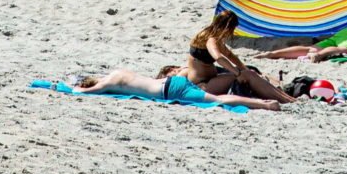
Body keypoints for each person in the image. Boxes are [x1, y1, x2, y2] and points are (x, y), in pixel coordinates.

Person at [186, 9, 294, 104]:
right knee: (249, 76)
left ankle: (285, 97)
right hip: (202, 86)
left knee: (250, 73)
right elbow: (219, 58)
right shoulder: (211, 40)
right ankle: (286, 99)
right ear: (227, 27)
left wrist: (244, 69)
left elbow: (229, 55)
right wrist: (237, 73)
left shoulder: (208, 35)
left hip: (208, 81)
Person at [70, 67, 283, 111]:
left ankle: (263, 104)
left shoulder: (110, 82)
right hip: (171, 83)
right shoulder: (118, 72)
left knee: (217, 100)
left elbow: (92, 91)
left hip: (170, 92)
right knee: (214, 97)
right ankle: (263, 102)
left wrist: (72, 90)